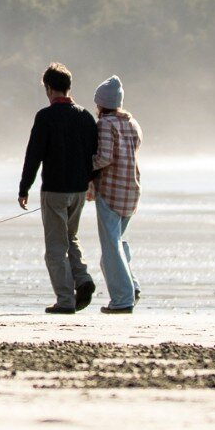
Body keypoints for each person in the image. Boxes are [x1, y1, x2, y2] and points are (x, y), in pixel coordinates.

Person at [17, 63, 100, 314]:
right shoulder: (85, 116)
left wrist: (24, 188)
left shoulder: (45, 117)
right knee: (70, 237)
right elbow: (93, 154)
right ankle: (83, 279)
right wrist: (91, 182)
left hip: (54, 190)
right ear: (69, 87)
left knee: (55, 247)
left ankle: (65, 300)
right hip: (78, 191)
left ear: (49, 88)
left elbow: (34, 155)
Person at [88, 76, 142, 313]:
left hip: (111, 192)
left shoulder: (105, 124)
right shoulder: (131, 123)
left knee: (111, 246)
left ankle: (122, 299)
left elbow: (104, 158)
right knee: (115, 243)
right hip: (131, 190)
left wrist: (84, 166)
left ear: (101, 104)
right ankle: (132, 285)